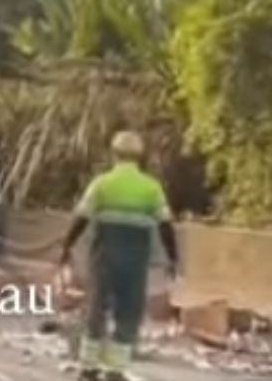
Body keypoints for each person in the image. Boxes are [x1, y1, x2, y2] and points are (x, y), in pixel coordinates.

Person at [59, 130, 180, 381]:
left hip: (104, 255)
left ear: (113, 154)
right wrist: (173, 257)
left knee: (97, 308)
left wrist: (66, 246)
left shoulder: (102, 184)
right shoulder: (151, 188)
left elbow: (81, 218)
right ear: (140, 156)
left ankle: (88, 367)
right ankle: (115, 370)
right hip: (135, 259)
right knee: (129, 312)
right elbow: (166, 225)